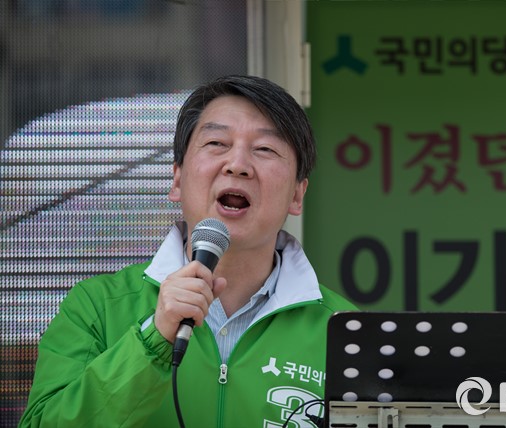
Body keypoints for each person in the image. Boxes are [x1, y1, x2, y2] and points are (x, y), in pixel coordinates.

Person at [19, 75, 357, 427]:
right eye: (216, 143)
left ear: (297, 195)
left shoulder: (345, 331)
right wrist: (153, 339)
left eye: (265, 149)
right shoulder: (97, 307)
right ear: (177, 179)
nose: (237, 164)